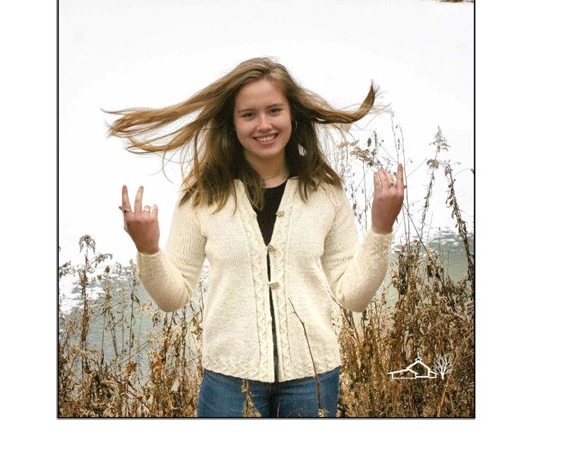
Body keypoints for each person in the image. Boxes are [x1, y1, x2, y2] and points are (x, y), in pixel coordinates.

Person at [108, 57, 404, 418]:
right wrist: (148, 248)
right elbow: (174, 297)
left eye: (274, 110)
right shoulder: (202, 195)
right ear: (232, 124)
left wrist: (381, 228)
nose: (264, 125)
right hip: (229, 382)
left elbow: (353, 296)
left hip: (312, 378)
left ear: (292, 115)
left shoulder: (326, 192)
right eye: (248, 114)